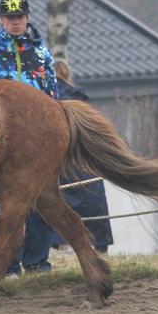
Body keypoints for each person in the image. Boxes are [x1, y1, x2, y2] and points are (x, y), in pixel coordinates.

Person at [0, 0, 58, 277]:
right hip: (1, 140)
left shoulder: (41, 52)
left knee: (39, 198)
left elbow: (52, 95)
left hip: (36, 138)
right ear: (2, 20)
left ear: (27, 18)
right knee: (3, 202)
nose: (15, 23)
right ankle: (7, 264)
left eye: (20, 17)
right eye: (10, 18)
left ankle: (37, 260)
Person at [51, 59, 113, 253]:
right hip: (84, 161)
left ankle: (61, 244)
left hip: (58, 161)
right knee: (94, 203)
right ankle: (100, 245)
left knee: (58, 202)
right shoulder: (81, 99)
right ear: (68, 76)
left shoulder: (46, 99)